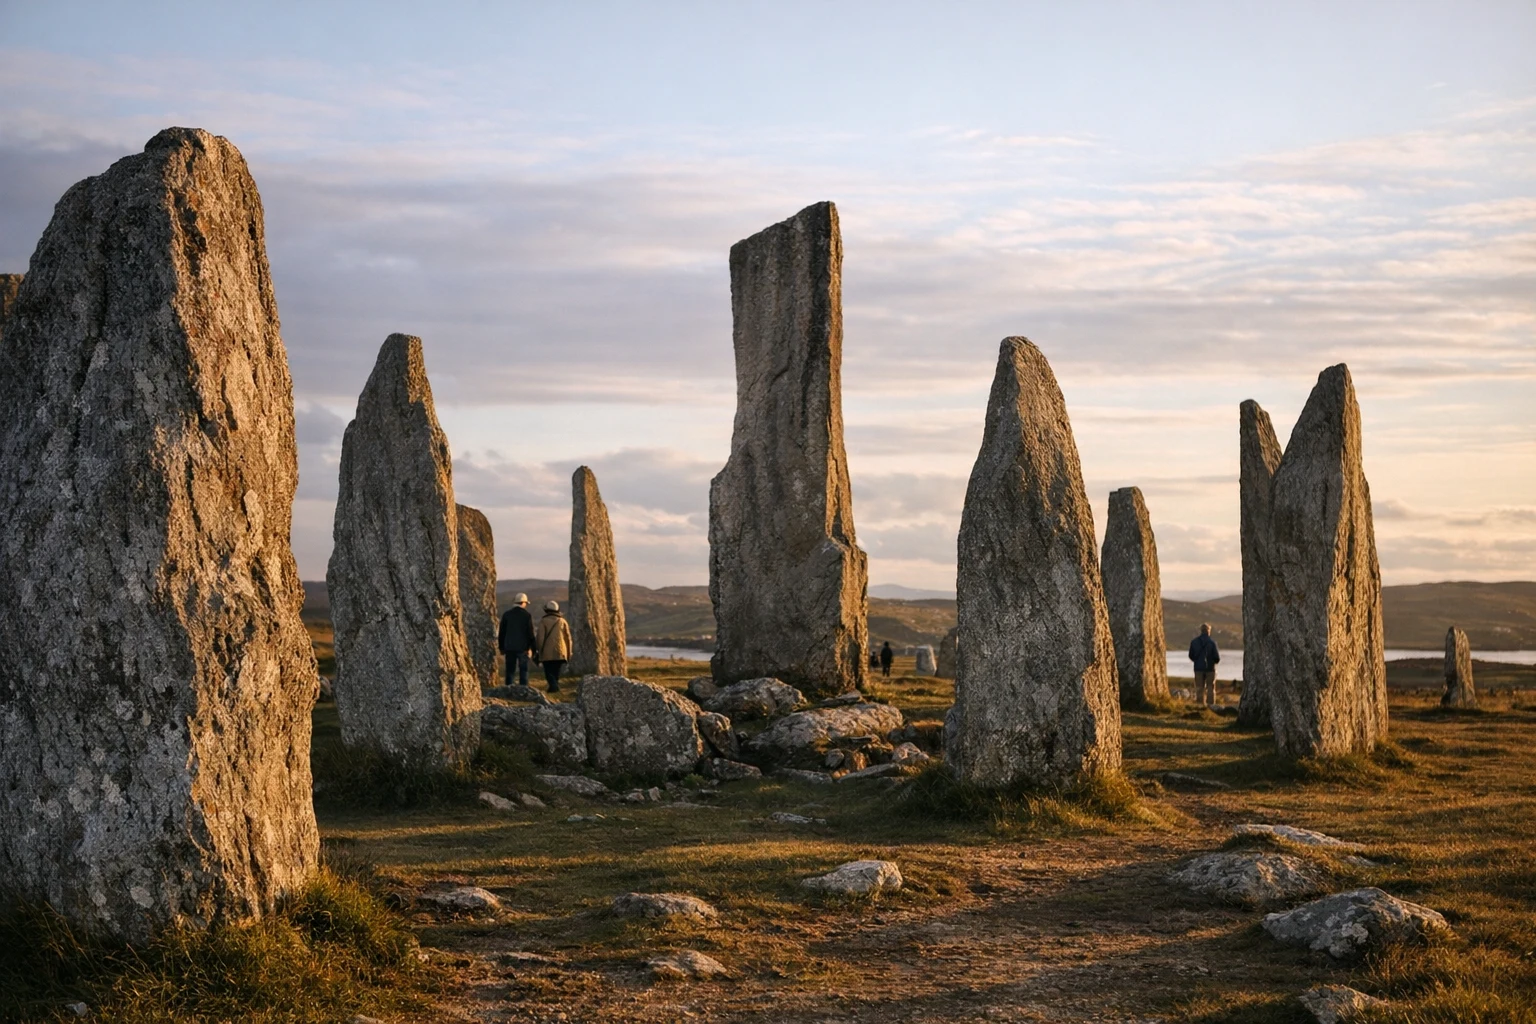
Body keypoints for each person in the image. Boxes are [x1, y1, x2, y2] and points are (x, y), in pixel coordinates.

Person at [497, 592, 536, 688]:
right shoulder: (527, 615)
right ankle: (523, 689)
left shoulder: (507, 615)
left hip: (509, 646)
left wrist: (501, 647)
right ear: (523, 602)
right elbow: (530, 633)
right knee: (523, 670)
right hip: (523, 647)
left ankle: (508, 688)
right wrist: (533, 647)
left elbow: (502, 633)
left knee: (510, 670)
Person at [535, 599, 573, 693]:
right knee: (556, 671)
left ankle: (554, 687)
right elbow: (568, 638)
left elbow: (540, 638)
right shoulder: (562, 621)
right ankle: (554, 687)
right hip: (561, 651)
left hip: (547, 652)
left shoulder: (543, 621)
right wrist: (569, 652)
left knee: (549, 672)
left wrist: (539, 650)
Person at [1188, 623, 1220, 707]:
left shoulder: (1194, 642)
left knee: (1199, 688)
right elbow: (1217, 658)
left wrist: (1196, 661)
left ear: (1201, 631)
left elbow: (1191, 655)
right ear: (1208, 631)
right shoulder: (1212, 643)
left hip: (1198, 668)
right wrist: (1213, 662)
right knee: (1210, 688)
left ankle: (1200, 705)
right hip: (1210, 669)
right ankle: (1211, 706)